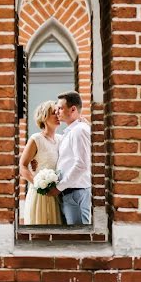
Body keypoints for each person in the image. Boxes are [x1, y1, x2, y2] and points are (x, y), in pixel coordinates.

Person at [47, 91, 91, 225]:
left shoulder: (79, 131)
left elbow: (82, 164)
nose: (57, 112)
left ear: (73, 109)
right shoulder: (72, 131)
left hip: (76, 193)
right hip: (69, 193)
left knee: (79, 238)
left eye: (60, 108)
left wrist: (59, 187)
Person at [19, 100, 62, 225]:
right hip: (40, 195)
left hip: (58, 194)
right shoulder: (36, 139)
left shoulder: (61, 139)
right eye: (54, 113)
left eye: (58, 112)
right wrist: (38, 184)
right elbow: (22, 166)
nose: (58, 115)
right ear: (44, 117)